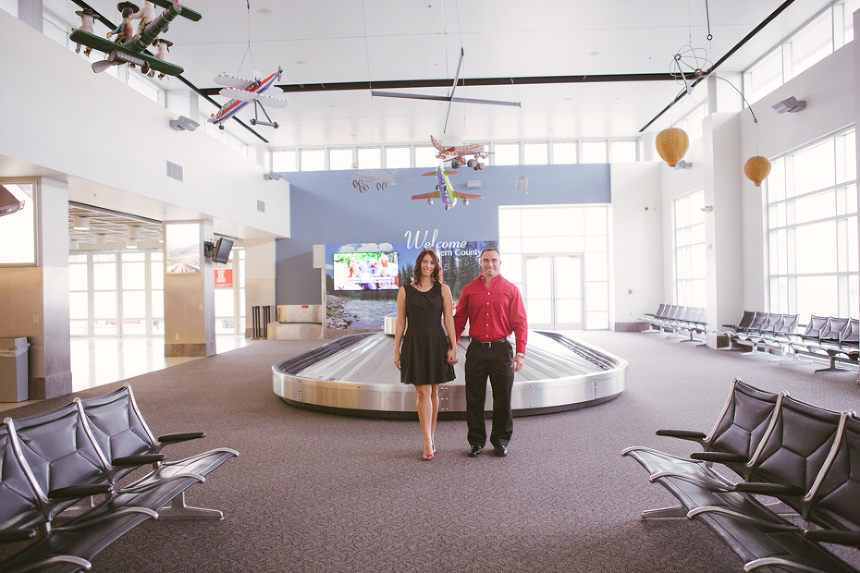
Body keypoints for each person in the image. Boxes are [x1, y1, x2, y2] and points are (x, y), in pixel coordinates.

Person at [454, 247, 527, 458]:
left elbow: (521, 323)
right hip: (476, 350)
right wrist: (453, 345)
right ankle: (476, 442)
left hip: (502, 350)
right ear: (480, 262)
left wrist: (520, 352)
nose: (490, 264)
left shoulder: (511, 290)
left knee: (502, 399)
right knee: (474, 398)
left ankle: (500, 442)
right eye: (486, 260)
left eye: (494, 260)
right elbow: (459, 321)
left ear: (500, 262)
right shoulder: (469, 289)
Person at [394, 249, 458, 460]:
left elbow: (449, 319)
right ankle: (427, 441)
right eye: (424, 261)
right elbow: (401, 321)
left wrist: (453, 346)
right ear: (419, 264)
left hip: (437, 343)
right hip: (414, 343)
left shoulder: (443, 289)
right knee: (423, 392)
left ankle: (431, 435)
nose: (428, 265)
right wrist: (397, 349)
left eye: (431, 262)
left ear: (435, 265)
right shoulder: (405, 291)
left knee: (433, 392)